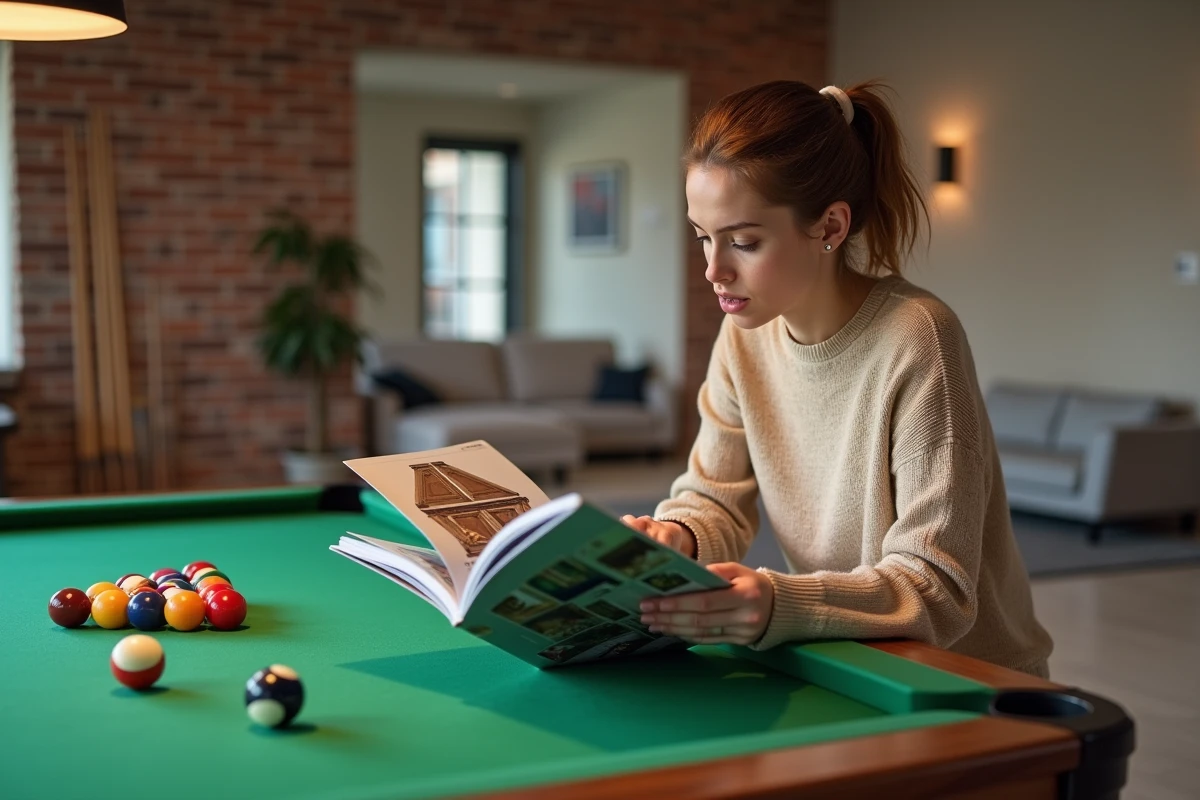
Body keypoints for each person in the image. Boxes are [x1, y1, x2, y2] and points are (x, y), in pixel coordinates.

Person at [623, 80, 1053, 677]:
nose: (713, 270)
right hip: (848, 660)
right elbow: (713, 498)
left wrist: (776, 600)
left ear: (829, 227)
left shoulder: (918, 336)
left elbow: (938, 587)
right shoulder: (743, 335)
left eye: (743, 242)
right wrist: (677, 536)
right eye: (703, 237)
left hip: (967, 680)